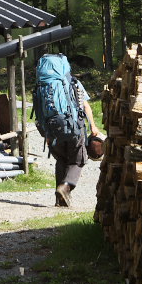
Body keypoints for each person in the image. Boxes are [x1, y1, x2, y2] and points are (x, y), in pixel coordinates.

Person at [53, 75, 101, 207]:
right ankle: (65, 187)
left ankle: (60, 200)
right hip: (75, 127)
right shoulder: (73, 82)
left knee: (61, 160)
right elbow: (85, 106)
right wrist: (92, 125)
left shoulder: (44, 84)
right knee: (79, 159)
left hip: (53, 130)